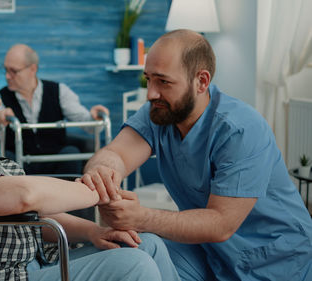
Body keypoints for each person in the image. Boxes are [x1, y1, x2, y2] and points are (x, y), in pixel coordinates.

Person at [0, 54, 180, 280]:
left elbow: (33, 213)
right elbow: (24, 197)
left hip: (33, 260)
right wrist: (102, 192)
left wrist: (94, 232)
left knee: (147, 244)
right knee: (133, 265)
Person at [81, 29, 312, 281]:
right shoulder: (158, 112)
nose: (151, 93)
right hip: (209, 251)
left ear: (201, 81)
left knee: (144, 234)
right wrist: (102, 171)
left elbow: (220, 223)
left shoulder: (241, 129)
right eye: (148, 79)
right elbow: (117, 154)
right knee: (137, 250)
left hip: (275, 258)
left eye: (163, 82)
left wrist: (142, 217)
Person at [0, 44, 109, 175]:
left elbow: (88, 125)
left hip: (55, 162)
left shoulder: (59, 91)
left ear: (32, 69)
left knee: (71, 153)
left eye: (13, 71)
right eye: (6, 70)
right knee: (6, 157)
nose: (8, 77)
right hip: (21, 165)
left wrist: (95, 117)